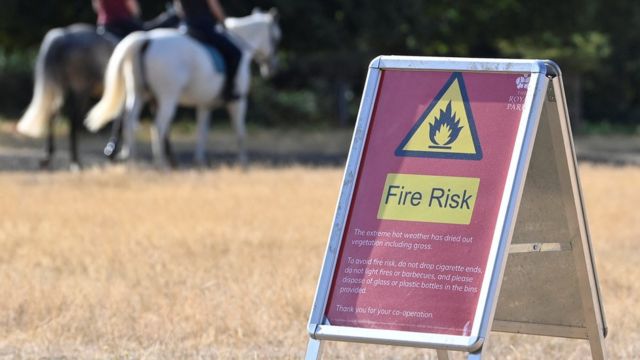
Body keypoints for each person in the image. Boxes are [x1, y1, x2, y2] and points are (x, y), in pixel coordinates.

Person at [175, 0, 242, 100]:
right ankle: (229, 90)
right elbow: (214, 6)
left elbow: (178, 8)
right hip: (204, 27)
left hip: (187, 27)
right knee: (236, 53)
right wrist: (223, 22)